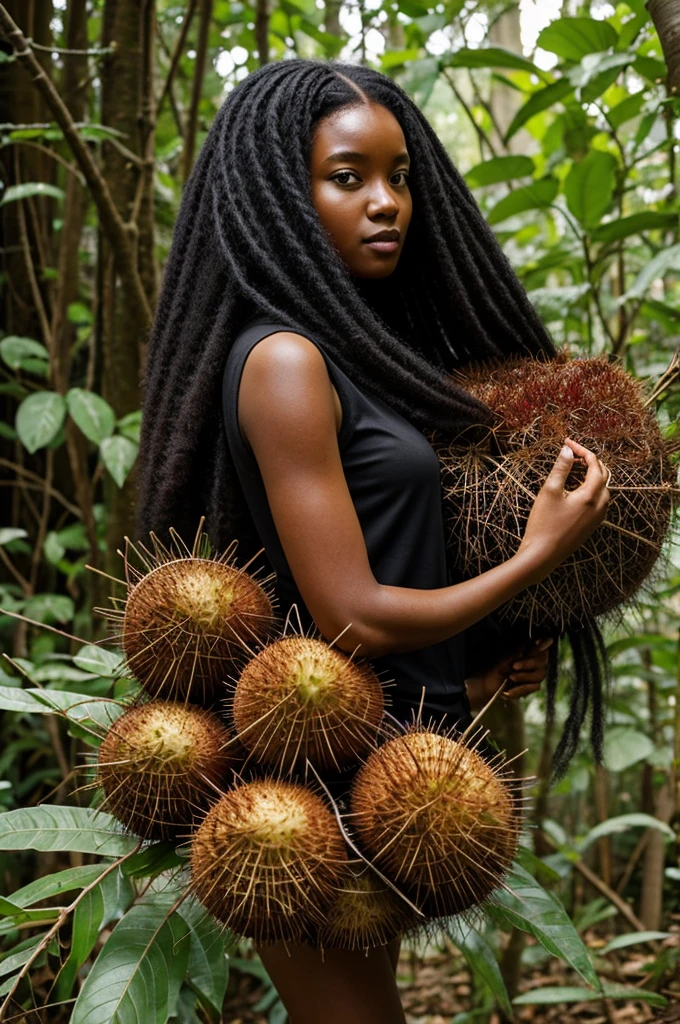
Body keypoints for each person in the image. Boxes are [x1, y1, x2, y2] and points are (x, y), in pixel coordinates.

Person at [136, 58, 609, 1024]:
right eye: (348, 178)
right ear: (280, 193)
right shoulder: (283, 363)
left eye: (399, 177)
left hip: (381, 768)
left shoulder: (356, 363)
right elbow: (352, 616)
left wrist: (468, 679)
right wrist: (539, 554)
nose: (387, 203)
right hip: (297, 796)